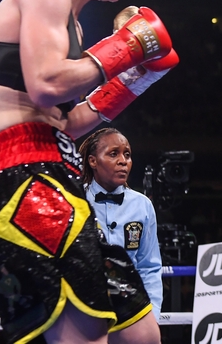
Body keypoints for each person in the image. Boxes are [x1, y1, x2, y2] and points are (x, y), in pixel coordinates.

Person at [0, 0, 177, 344]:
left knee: (142, 334)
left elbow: (66, 124)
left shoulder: (73, 28)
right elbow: (47, 83)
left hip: (58, 174)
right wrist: (125, 47)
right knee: (89, 337)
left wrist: (135, 78)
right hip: (26, 184)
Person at [79, 128, 163, 323]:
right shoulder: (74, 200)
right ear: (93, 161)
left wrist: (153, 315)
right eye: (113, 153)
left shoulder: (142, 205)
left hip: (131, 310)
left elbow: (149, 266)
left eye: (127, 154)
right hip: (85, 311)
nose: (123, 161)